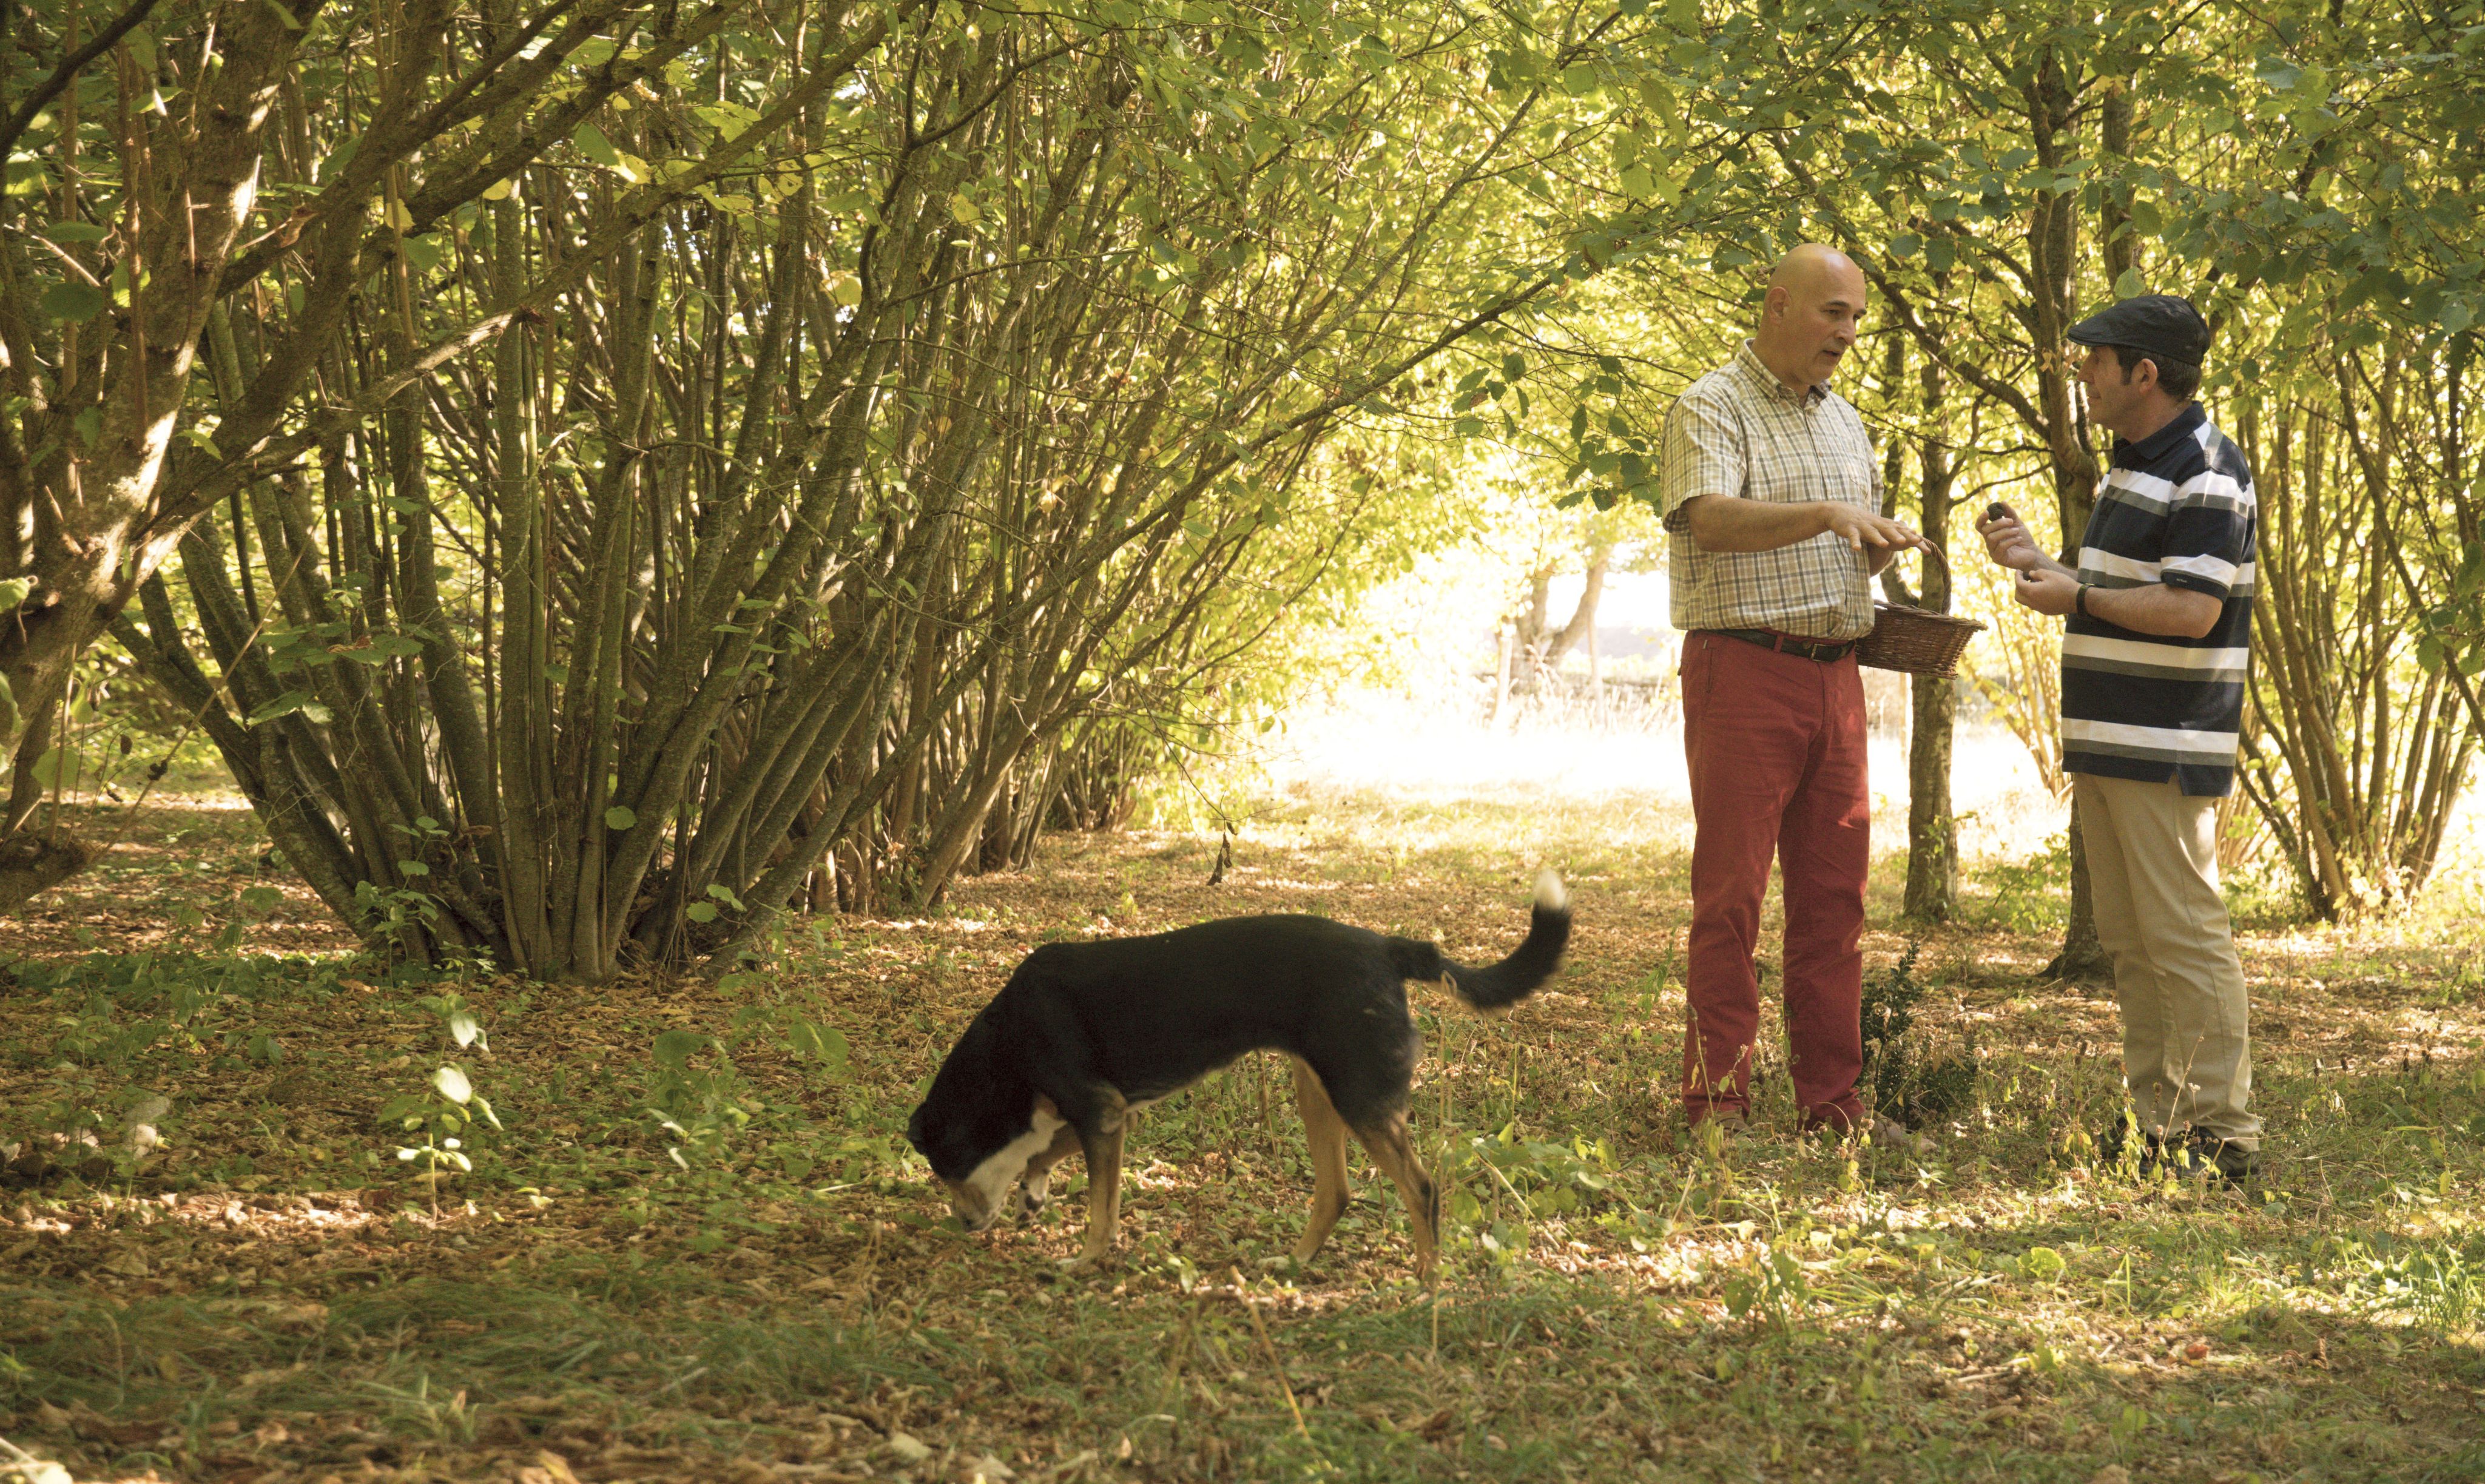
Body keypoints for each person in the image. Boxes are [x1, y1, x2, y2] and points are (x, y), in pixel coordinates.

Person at [1975, 293, 2261, 1182]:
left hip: (2166, 741)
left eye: (2095, 361)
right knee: (2134, 942)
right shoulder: (2134, 466)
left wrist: (2080, 597)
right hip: (2108, 740)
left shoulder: (2208, 469)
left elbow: (2192, 608)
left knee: (2184, 934)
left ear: (2145, 373)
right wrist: (2042, 565)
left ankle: (2225, 1134)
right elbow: (2122, 592)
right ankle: (2159, 1125)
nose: (2083, 376)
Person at [1657, 244, 1926, 1145]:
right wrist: (1824, 516)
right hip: (1744, 671)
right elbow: (1709, 517)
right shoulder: (1710, 406)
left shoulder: (1846, 422)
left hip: (1837, 677)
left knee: (1834, 901)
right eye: (1832, 314)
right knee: (1730, 896)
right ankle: (1718, 1105)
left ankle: (1832, 1105)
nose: (1847, 335)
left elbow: (1847, 540)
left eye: (1855, 318)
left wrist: (1878, 544)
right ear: (1777, 305)